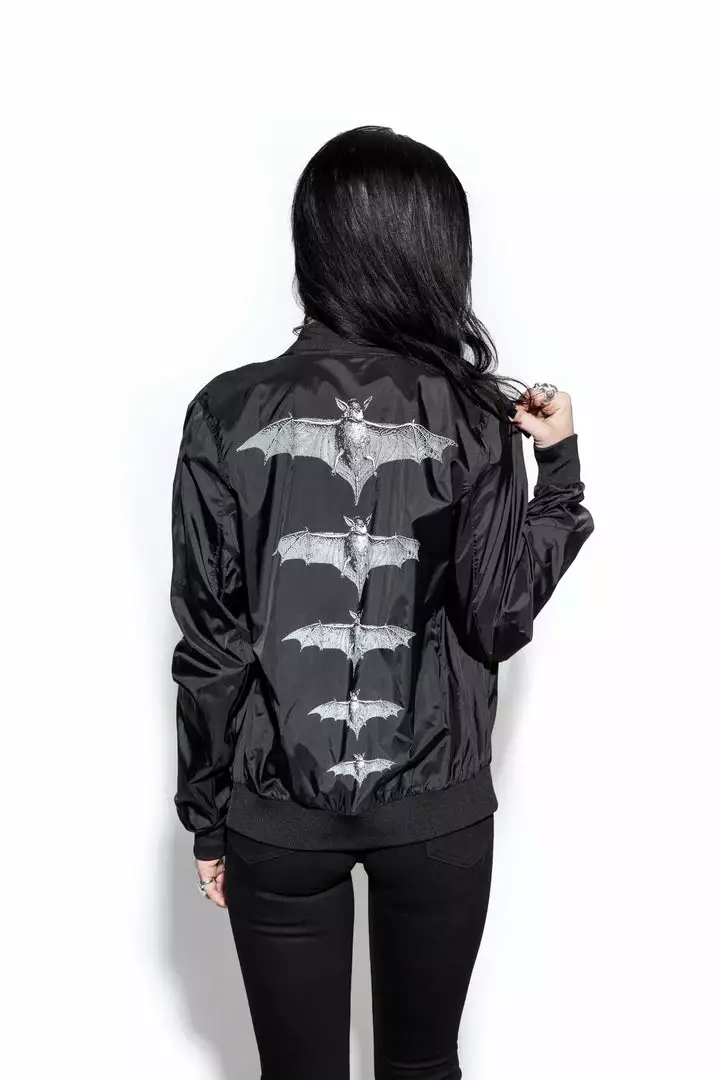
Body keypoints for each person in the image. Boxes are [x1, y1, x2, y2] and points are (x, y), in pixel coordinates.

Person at [169, 125, 594, 1080]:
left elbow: (212, 642)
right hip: (435, 812)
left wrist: (208, 813)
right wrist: (559, 473)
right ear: (437, 250)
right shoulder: (474, 413)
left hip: (279, 810)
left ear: (313, 244)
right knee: (422, 1070)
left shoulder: (227, 412)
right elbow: (497, 617)